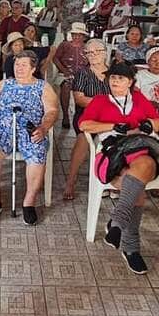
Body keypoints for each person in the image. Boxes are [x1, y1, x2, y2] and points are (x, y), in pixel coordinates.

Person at [77, 62, 159, 274]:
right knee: (135, 187)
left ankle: (117, 224)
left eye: (121, 78)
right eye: (113, 77)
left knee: (142, 164)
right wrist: (113, 127)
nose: (115, 81)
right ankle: (131, 246)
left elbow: (158, 121)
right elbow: (84, 125)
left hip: (140, 149)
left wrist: (148, 125)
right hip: (113, 153)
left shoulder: (139, 99)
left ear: (131, 82)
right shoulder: (100, 100)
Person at [0, 49, 60, 226]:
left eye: (23, 65)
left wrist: (44, 127)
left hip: (30, 131)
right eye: (16, 65)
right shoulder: (5, 83)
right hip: (2, 130)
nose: (18, 68)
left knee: (37, 152)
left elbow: (52, 111)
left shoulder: (43, 86)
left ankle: (29, 203)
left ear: (33, 68)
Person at [63, 38, 111, 200]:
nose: (93, 55)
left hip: (111, 116)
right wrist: (106, 102)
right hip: (86, 115)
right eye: (89, 52)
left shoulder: (114, 73)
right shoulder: (82, 73)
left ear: (105, 53)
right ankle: (71, 180)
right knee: (83, 137)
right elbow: (80, 99)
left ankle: (110, 177)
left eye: (96, 52)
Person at [53, 22, 89, 127]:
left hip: (82, 74)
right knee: (66, 85)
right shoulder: (65, 45)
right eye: (74, 34)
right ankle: (65, 115)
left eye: (79, 35)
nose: (77, 37)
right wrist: (64, 70)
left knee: (87, 88)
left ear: (83, 36)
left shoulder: (87, 47)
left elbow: (90, 62)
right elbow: (55, 58)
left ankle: (82, 114)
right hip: (66, 73)